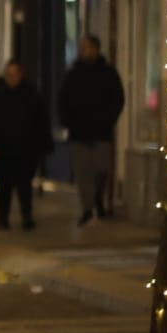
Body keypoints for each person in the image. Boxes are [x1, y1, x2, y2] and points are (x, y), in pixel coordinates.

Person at [0, 60, 52, 231]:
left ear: (21, 75)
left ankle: (27, 217)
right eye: (8, 74)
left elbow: (41, 122)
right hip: (2, 151)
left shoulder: (31, 96)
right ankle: (3, 218)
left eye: (14, 74)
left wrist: (39, 147)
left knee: (25, 185)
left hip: (25, 151)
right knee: (4, 187)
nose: (12, 78)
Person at [59, 34, 125, 226]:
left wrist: (107, 120)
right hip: (79, 134)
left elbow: (117, 99)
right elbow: (63, 101)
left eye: (88, 47)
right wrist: (69, 122)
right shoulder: (73, 75)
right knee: (82, 174)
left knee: (101, 169)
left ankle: (98, 198)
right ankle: (87, 208)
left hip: (101, 132)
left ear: (96, 49)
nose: (84, 51)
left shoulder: (107, 73)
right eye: (82, 47)